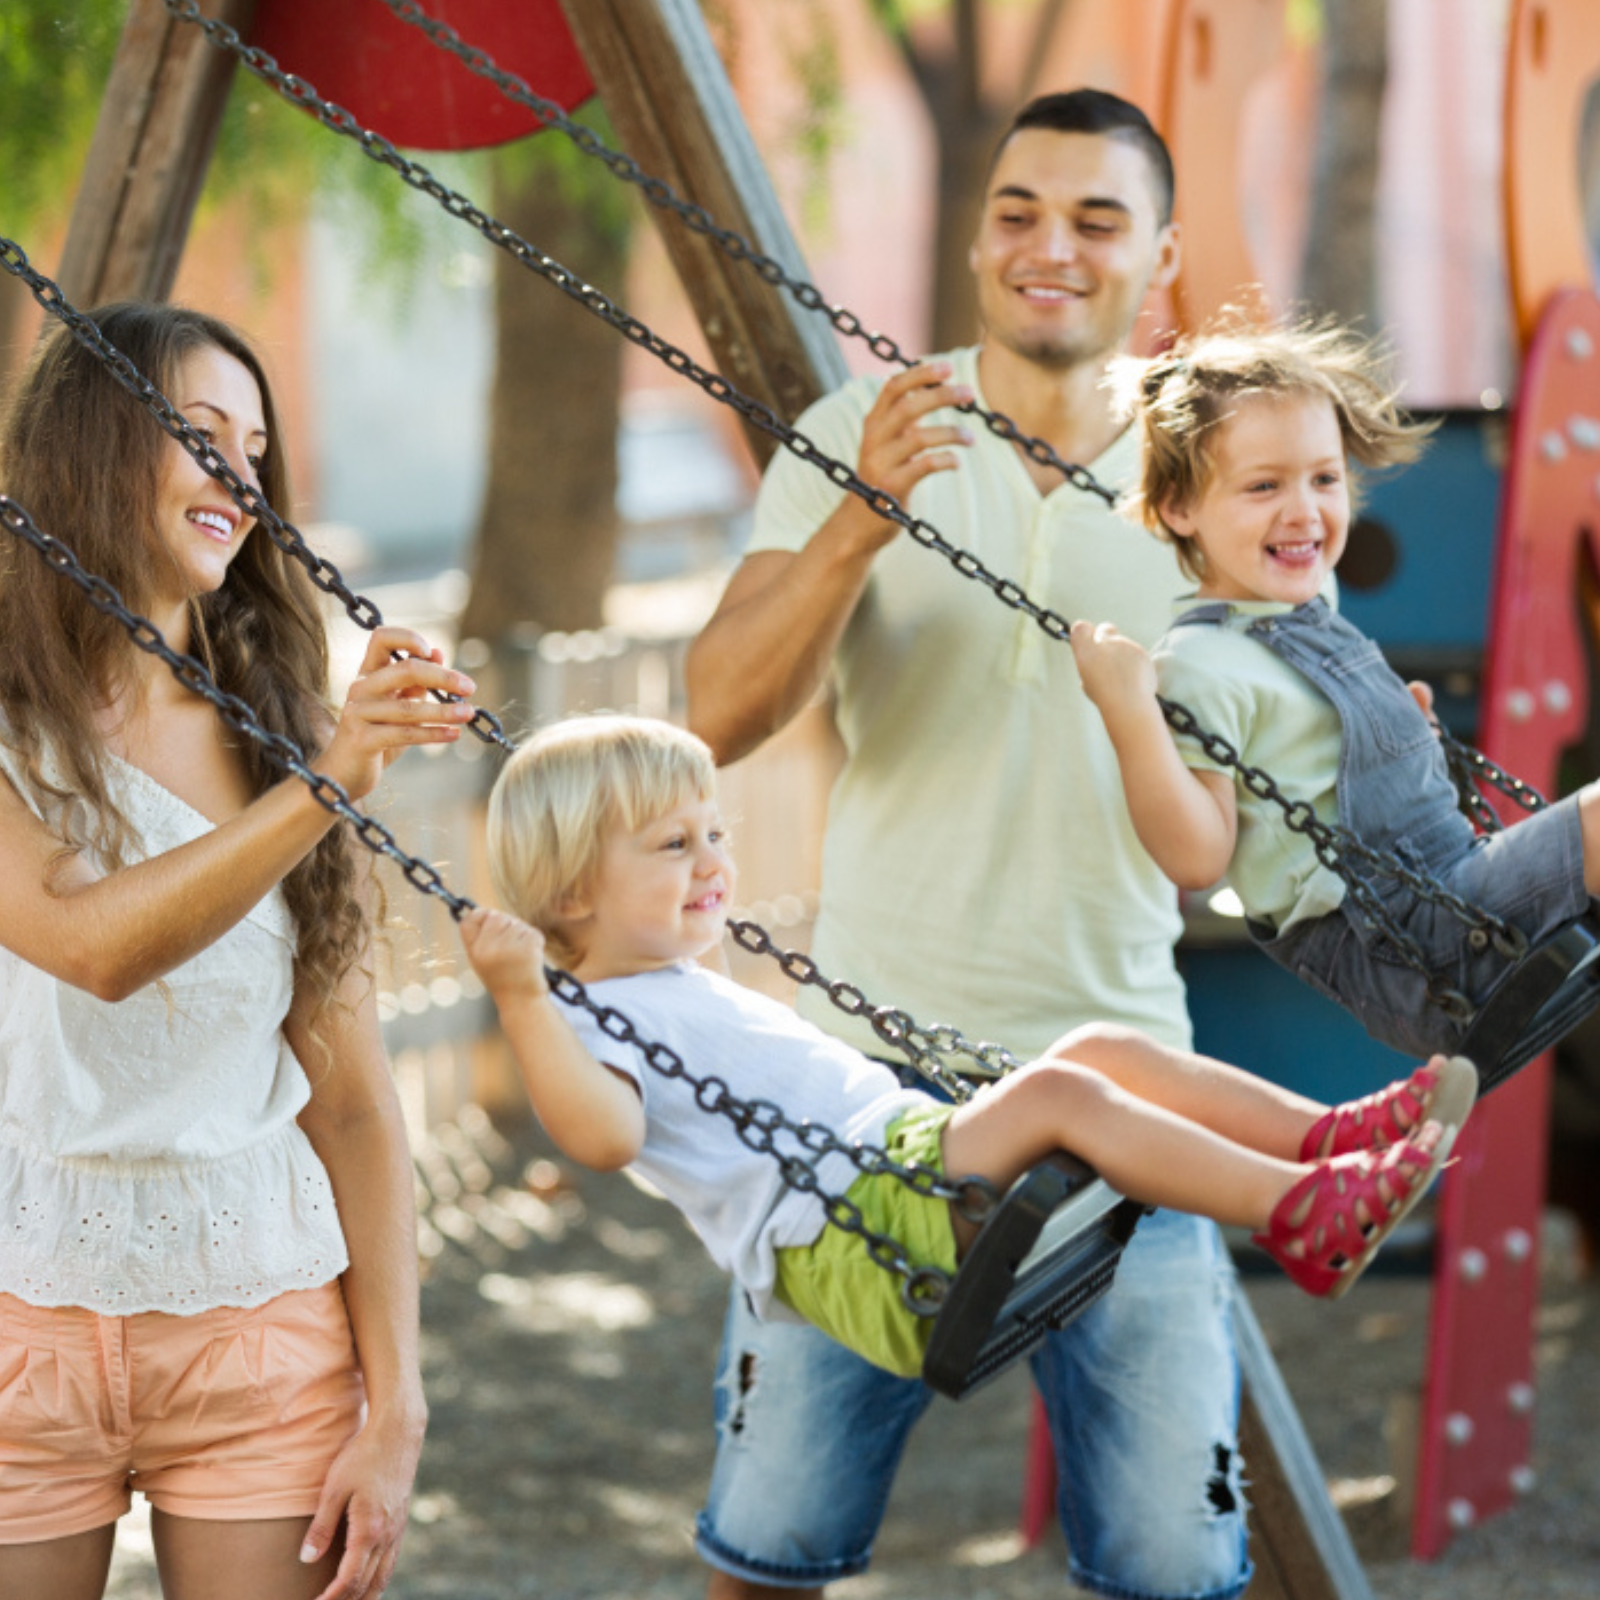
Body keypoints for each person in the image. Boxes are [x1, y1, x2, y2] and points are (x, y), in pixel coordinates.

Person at [682, 88, 1248, 1600]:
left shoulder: (1211, 474)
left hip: (1123, 1079)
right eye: (1018, 212)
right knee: (767, 1550)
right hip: (866, 1092)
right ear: (980, 233)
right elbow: (717, 713)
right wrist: (865, 515)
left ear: (1162, 256)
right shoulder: (863, 432)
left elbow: (1232, 831)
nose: (1046, 247)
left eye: (1095, 219)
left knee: (1176, 1568)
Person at [460, 714, 1475, 1355]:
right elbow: (602, 1140)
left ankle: (1327, 1142)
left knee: (1098, 1049)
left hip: (891, 1164)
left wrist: (690, 914)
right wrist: (518, 995)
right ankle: (1299, 1216)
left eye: (713, 832)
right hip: (851, 1230)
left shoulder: (671, 973)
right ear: (569, 891)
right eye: (673, 844)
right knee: (1063, 1094)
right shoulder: (583, 1015)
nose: (712, 858)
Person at [0, 302, 467, 1600]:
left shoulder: (279, 729)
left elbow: (360, 1101)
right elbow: (93, 948)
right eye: (199, 436)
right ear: (89, 448)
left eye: (256, 451)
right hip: (17, 1324)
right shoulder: (10, 718)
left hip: (256, 1320)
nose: (239, 478)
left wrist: (398, 1410)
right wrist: (332, 781)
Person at [1069, 318, 1600, 1061]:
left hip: (1448, 888)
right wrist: (1128, 710)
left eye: (1324, 478)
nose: (1303, 510)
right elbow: (1195, 858)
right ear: (1179, 508)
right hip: (1409, 941)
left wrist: (1397, 735)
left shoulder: (1306, 619)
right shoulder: (1198, 662)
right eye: (1263, 486)